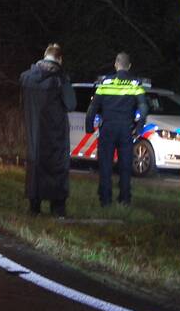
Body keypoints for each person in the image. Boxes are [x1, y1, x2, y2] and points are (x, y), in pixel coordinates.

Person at [19, 43, 77, 217]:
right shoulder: (61, 79)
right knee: (57, 167)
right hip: (55, 134)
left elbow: (22, 104)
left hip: (34, 132)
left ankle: (34, 206)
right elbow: (71, 104)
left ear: (44, 56)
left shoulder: (26, 78)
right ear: (60, 59)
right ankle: (57, 207)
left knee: (35, 165)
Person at [86, 52, 149, 207]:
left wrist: (89, 127)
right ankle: (125, 199)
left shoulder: (105, 83)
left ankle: (105, 200)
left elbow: (93, 107)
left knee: (105, 165)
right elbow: (144, 107)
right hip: (125, 129)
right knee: (126, 166)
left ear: (115, 64)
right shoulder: (135, 84)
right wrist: (139, 127)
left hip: (107, 128)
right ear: (129, 66)